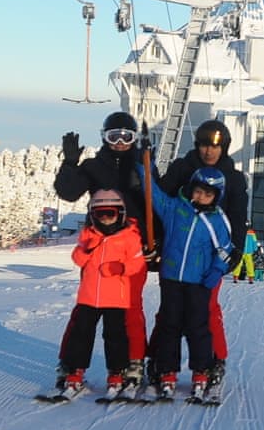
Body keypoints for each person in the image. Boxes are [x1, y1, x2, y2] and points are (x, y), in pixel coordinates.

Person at [54, 110, 150, 392]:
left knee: (130, 307)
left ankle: (133, 360)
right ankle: (70, 363)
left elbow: (155, 204)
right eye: (113, 136)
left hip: (131, 245)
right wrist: (70, 163)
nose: (120, 142)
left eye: (126, 137)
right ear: (104, 138)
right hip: (98, 244)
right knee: (86, 306)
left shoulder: (142, 165)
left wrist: (155, 243)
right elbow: (68, 192)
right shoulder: (94, 166)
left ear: (134, 138)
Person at [158, 120, 247, 392]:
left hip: (208, 258)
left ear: (224, 148)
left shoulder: (232, 178)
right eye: (205, 145)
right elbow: (162, 203)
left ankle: (214, 359)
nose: (209, 151)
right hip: (176, 256)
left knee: (206, 309)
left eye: (215, 146)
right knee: (169, 314)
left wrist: (234, 252)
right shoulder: (182, 168)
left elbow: (238, 217)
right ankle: (161, 362)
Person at [139, 164, 233, 401]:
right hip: (171, 278)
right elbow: (153, 195)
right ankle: (167, 372)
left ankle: (201, 372)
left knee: (198, 327)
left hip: (198, 282)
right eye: (198, 191)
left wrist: (217, 270)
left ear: (216, 197)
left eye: (207, 194)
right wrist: (143, 168)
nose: (201, 197)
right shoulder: (175, 208)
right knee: (169, 325)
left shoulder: (217, 220)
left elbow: (225, 250)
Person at [56, 190, 145, 398]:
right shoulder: (89, 235)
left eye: (110, 213)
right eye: (99, 214)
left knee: (115, 336)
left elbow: (137, 263)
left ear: (120, 214)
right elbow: (78, 259)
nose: (105, 219)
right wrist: (86, 250)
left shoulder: (129, 237)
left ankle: (116, 373)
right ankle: (75, 372)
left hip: (116, 298)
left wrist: (120, 268)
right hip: (89, 297)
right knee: (81, 334)